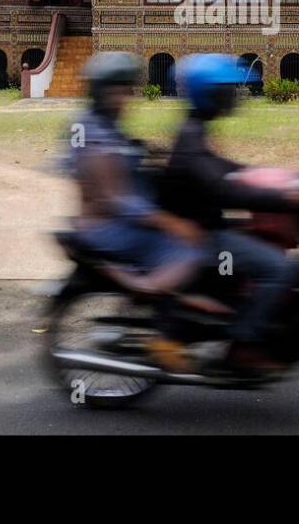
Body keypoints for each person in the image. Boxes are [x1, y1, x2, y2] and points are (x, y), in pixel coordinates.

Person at [163, 54, 299, 373]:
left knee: (265, 240)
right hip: (201, 234)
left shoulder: (195, 128)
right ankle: (244, 345)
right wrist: (283, 198)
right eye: (225, 91)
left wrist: (265, 174)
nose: (232, 97)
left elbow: (219, 169)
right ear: (207, 94)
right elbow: (223, 190)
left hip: (203, 223)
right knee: (279, 268)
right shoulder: (191, 137)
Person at [62, 52, 208, 369]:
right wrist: (171, 223)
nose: (128, 98)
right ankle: (149, 303)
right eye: (121, 90)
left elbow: (127, 157)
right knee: (191, 250)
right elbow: (117, 200)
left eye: (129, 90)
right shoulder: (93, 135)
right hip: (108, 228)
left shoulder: (98, 123)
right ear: (103, 91)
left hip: (111, 221)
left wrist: (149, 151)